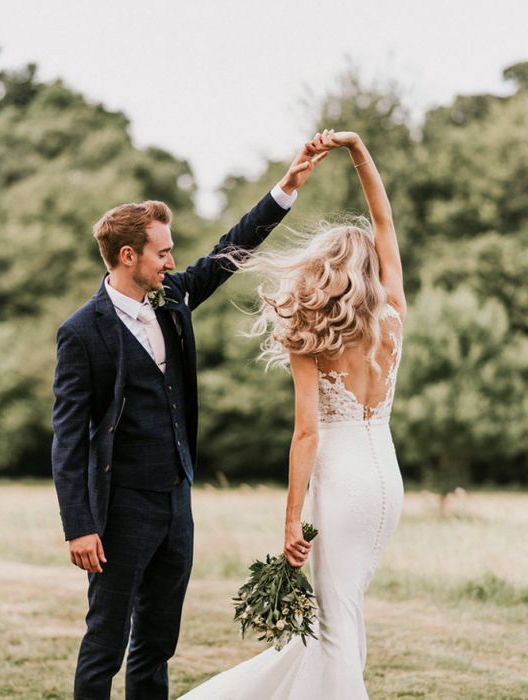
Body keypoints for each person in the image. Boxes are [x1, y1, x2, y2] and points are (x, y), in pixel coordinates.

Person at [50, 134, 329, 700]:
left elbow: (229, 252)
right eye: (163, 252)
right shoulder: (81, 333)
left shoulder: (171, 299)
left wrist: (289, 186)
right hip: (118, 509)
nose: (173, 261)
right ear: (128, 257)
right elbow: (68, 438)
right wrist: (79, 524)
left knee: (156, 643)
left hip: (176, 502)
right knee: (105, 643)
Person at [178, 129, 406, 699]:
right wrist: (358, 151)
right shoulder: (393, 319)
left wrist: (289, 524)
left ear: (326, 271)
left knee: (332, 621)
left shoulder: (314, 338)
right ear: (371, 271)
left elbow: (307, 435)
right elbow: (385, 223)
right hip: (386, 481)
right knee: (346, 610)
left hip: (343, 481)